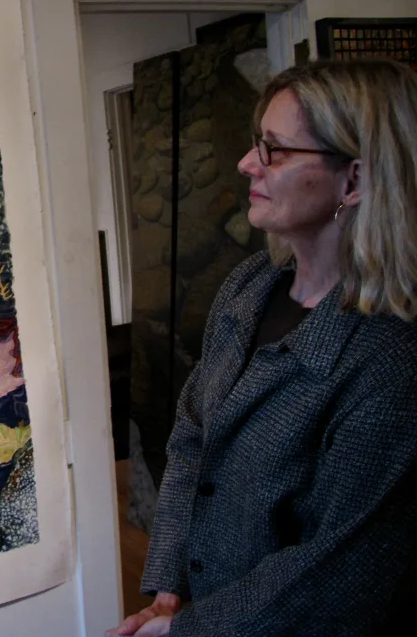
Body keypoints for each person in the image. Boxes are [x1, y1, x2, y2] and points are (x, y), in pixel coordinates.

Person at [108, 59, 417, 637]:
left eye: (274, 150)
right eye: (258, 143)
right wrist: (172, 581)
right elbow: (193, 432)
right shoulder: (249, 285)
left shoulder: (391, 359)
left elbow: (337, 572)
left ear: (354, 180)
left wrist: (189, 630)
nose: (247, 163)